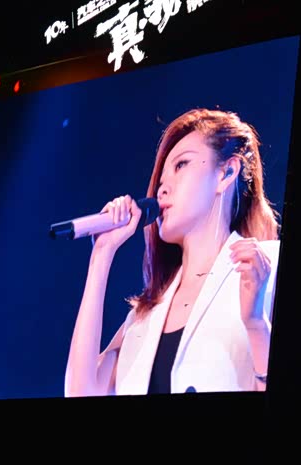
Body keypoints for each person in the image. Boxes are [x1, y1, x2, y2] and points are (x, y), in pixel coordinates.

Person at [64, 108, 281, 397]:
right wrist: (101, 254)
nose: (161, 189)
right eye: (160, 180)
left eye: (181, 165)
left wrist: (256, 324)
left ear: (226, 172)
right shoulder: (144, 315)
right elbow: (80, 393)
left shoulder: (269, 266)